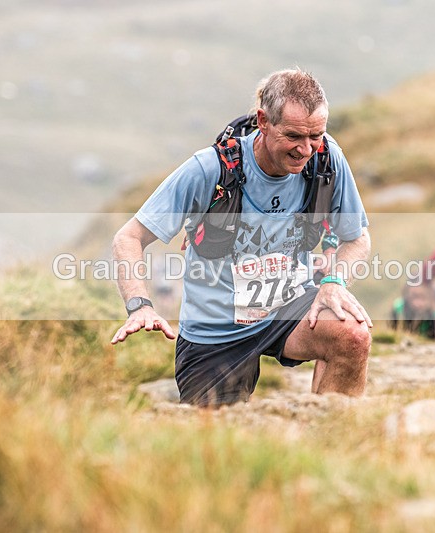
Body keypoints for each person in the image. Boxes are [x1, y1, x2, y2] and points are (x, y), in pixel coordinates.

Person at [110, 69, 372, 407]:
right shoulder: (209, 169)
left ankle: (331, 433)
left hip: (288, 308)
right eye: (293, 136)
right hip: (215, 330)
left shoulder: (327, 159)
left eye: (315, 135)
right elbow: (129, 237)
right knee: (215, 433)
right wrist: (139, 306)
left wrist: (335, 282)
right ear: (263, 121)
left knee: (352, 335)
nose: (306, 149)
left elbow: (357, 239)